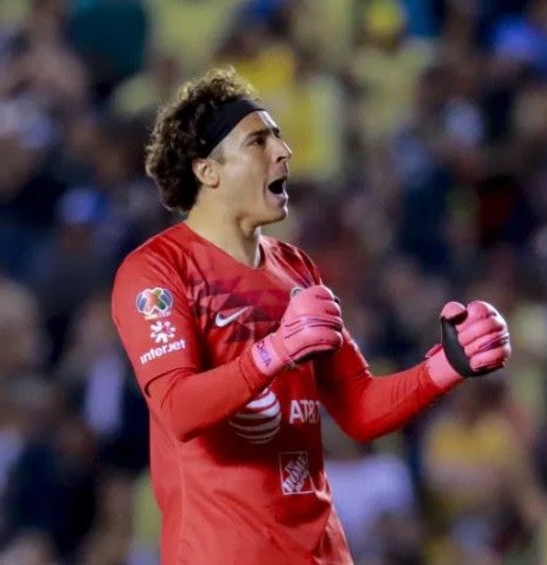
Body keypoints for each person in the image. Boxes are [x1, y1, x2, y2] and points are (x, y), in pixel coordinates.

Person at [110, 67, 512, 564]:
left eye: (278, 137)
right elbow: (177, 408)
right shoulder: (157, 269)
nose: (284, 152)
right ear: (207, 171)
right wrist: (277, 349)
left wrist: (445, 366)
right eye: (258, 141)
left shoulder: (295, 267)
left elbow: (359, 409)